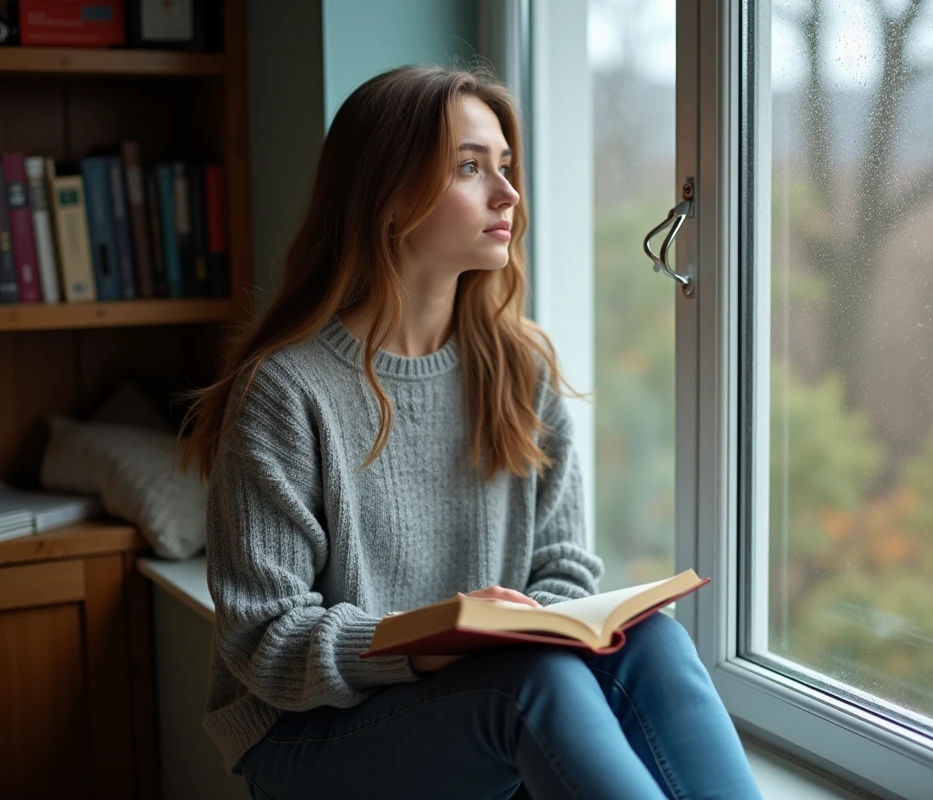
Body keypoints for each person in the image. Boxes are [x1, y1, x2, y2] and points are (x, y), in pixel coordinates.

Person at [180, 64, 762, 800]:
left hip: (474, 700)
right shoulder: (288, 392)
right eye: (468, 167)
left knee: (652, 641)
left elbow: (563, 569)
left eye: (506, 165)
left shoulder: (519, 371)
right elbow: (265, 643)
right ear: (387, 198)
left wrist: (523, 624)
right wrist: (432, 645)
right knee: (528, 681)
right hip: (306, 736)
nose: (508, 193)